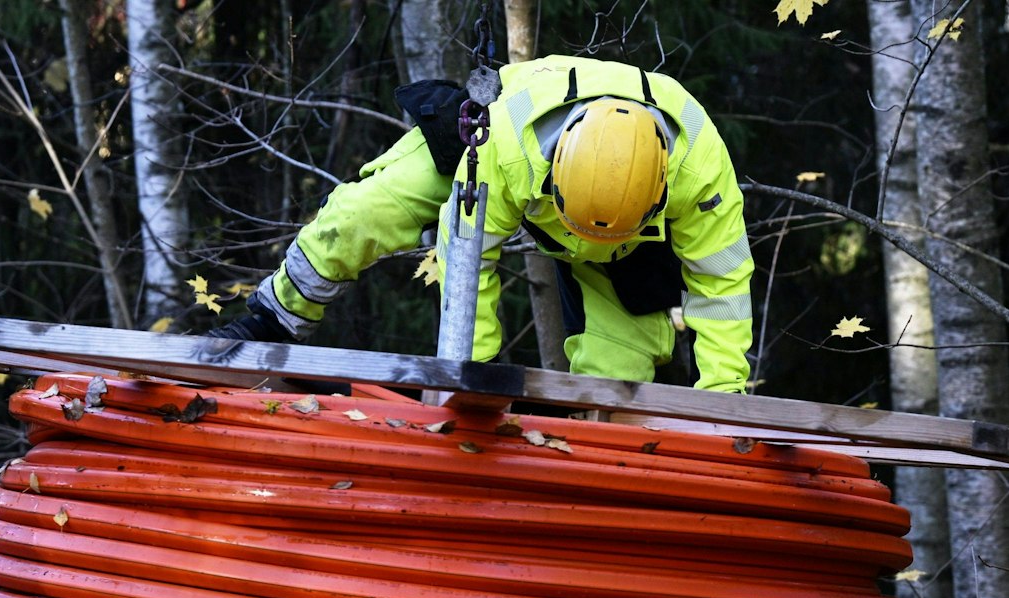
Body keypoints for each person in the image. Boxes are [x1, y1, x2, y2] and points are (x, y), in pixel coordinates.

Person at [209, 55, 754, 394]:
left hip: (628, 247)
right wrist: (473, 380)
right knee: (363, 214)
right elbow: (470, 259)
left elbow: (723, 287)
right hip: (486, 145)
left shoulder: (702, 171)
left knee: (619, 383)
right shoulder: (507, 144)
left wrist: (726, 401)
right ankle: (273, 321)